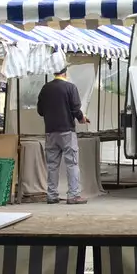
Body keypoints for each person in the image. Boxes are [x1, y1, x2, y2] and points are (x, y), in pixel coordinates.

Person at [36, 61, 91, 205]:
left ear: (54, 73)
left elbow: (40, 111)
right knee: (71, 163)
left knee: (52, 165)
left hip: (50, 132)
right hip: (67, 131)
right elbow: (75, 109)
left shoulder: (45, 88)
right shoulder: (70, 87)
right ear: (65, 73)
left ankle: (52, 195)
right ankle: (73, 195)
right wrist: (81, 118)